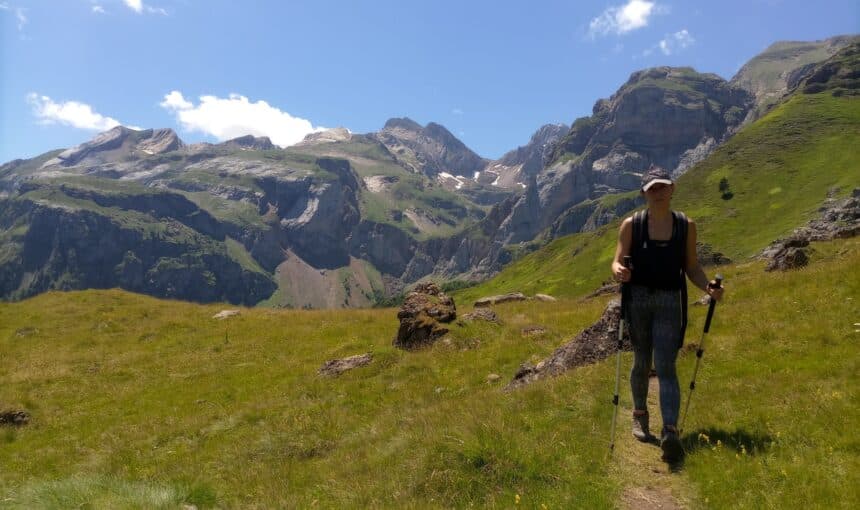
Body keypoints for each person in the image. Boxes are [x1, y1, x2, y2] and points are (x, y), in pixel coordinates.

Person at [610, 166, 724, 463]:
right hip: (638, 299)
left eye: (662, 187)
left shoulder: (686, 225)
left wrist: (707, 287)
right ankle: (639, 414)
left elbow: (692, 266)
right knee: (641, 360)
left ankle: (670, 431)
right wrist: (619, 271)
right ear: (644, 193)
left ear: (672, 188)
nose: (657, 192)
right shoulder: (631, 225)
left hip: (671, 301)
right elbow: (617, 261)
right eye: (652, 188)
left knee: (665, 364)